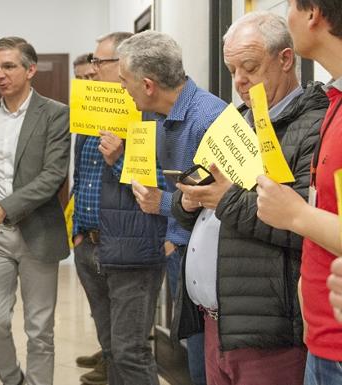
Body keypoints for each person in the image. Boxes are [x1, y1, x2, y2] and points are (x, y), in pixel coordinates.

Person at [171, 11, 328, 385]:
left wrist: (223, 199)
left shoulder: (316, 125)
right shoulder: (236, 118)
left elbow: (307, 226)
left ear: (285, 59)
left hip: (268, 335)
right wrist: (188, 201)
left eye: (250, 67)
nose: (240, 82)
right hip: (213, 324)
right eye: (232, 70)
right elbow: (201, 191)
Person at [119, 30, 226, 385]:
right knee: (194, 361)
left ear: (148, 85)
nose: (122, 89)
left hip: (211, 262)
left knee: (206, 366)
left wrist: (161, 204)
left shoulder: (208, 120)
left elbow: (223, 205)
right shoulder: (156, 116)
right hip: (181, 252)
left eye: (125, 81)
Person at [0, 36, 70, 385]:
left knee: (40, 329)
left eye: (9, 66)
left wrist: (2, 209)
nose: (0, 74)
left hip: (38, 232)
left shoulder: (55, 114)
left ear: (31, 69)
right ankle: (13, 379)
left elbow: (53, 176)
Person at [72, 31, 167, 385]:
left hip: (131, 250)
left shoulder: (150, 113)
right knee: (111, 349)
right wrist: (78, 234)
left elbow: (158, 183)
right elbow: (80, 175)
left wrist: (118, 159)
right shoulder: (92, 110)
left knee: (131, 352)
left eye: (101, 62)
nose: (94, 70)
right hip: (90, 247)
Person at [255, 1, 342, 383]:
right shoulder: (334, 104)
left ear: (313, 14)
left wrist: (295, 215)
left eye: (291, 4)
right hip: (322, 339)